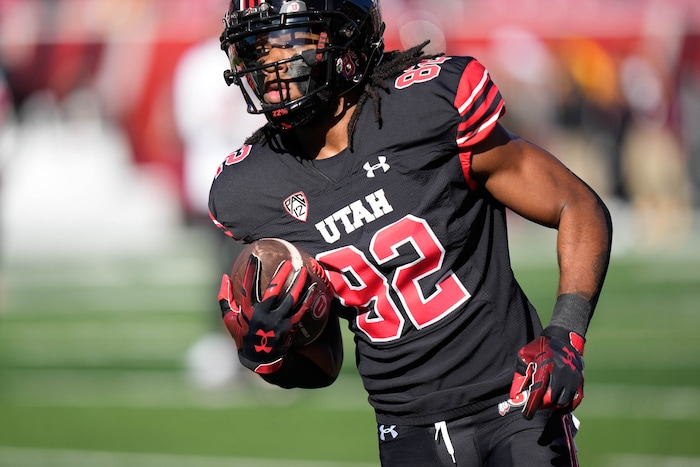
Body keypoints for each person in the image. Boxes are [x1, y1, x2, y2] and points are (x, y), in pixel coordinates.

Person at [209, 1, 612, 466]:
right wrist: (274, 355)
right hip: (406, 431)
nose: (269, 66)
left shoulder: (422, 109)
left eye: (287, 43)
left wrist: (566, 335)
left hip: (516, 403)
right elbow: (325, 364)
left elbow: (576, 204)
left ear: (344, 39)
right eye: (257, 50)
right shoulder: (253, 188)